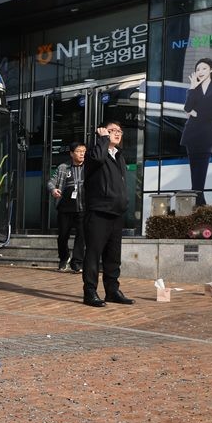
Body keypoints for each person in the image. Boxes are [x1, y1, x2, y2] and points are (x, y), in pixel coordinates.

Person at [81, 121, 134, 307]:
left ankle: (112, 291)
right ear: (103, 132)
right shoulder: (94, 153)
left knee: (113, 257)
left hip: (116, 212)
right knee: (93, 255)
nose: (117, 133)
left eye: (120, 131)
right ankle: (90, 292)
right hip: (99, 212)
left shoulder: (119, 156)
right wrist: (102, 139)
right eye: (112, 131)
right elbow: (97, 159)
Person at [181, 57, 212, 207]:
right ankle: (200, 203)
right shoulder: (194, 88)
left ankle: (198, 203)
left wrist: (197, 113)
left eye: (204, 68)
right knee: (194, 169)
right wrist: (192, 88)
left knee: (202, 168)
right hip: (192, 133)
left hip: (208, 133)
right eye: (198, 69)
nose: (200, 72)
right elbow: (187, 108)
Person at [47, 142, 86, 273]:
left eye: (84, 151)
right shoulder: (63, 167)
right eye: (79, 151)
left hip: (82, 208)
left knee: (81, 236)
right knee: (63, 236)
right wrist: (53, 190)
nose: (82, 154)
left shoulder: (88, 167)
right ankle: (64, 258)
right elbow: (51, 182)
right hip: (65, 208)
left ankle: (77, 263)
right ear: (71, 153)